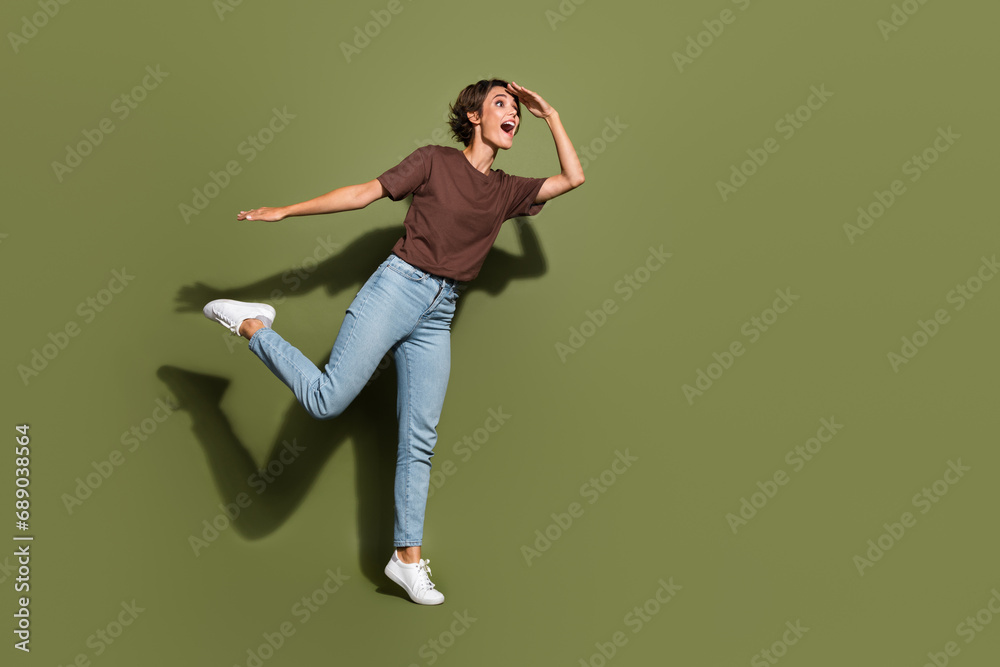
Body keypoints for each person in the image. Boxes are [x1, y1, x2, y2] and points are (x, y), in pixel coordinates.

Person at [201, 79, 584, 604]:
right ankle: (252, 326)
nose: (512, 112)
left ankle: (406, 560)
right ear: (474, 117)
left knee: (419, 441)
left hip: (439, 311)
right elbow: (363, 195)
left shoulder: (505, 190)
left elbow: (573, 177)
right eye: (502, 103)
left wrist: (552, 114)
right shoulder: (433, 162)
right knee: (326, 399)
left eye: (516, 109)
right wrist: (285, 210)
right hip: (397, 287)